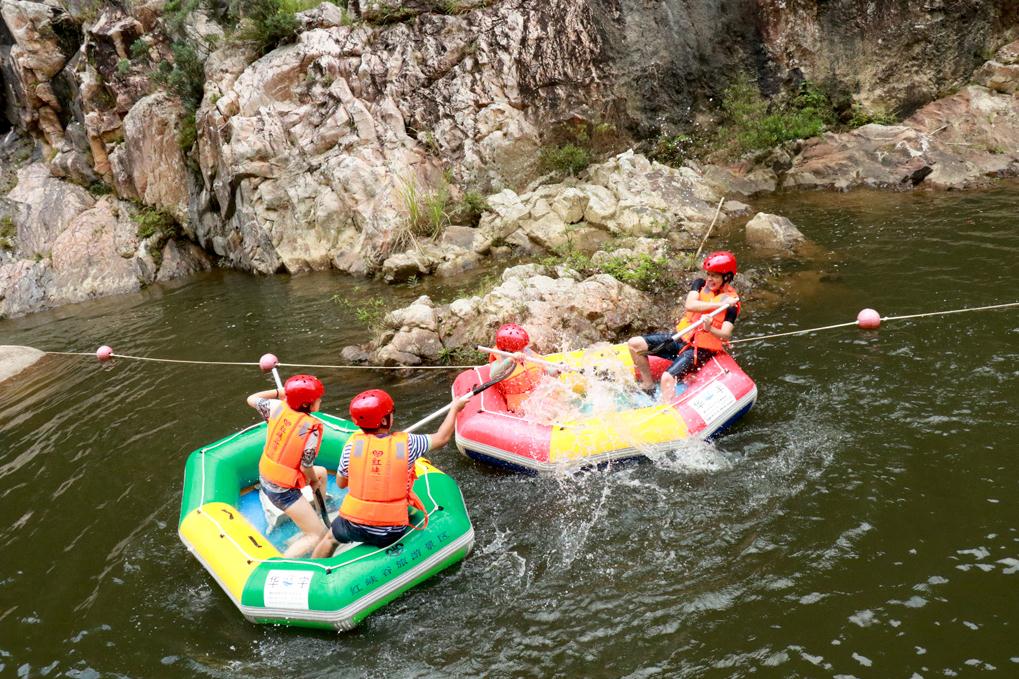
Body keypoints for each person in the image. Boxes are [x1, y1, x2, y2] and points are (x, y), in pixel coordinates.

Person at [311, 389, 471, 558]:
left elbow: (341, 483)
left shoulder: (352, 447)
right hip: (391, 531)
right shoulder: (408, 443)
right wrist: (455, 409)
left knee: (330, 538)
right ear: (385, 420)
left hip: (354, 525)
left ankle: (317, 567)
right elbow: (441, 438)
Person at [627, 251, 741, 401]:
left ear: (726, 277)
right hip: (682, 340)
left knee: (667, 378)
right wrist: (720, 304)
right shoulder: (700, 284)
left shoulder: (732, 304)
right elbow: (690, 305)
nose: (710, 279)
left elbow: (726, 334)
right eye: (709, 274)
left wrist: (710, 328)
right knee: (634, 344)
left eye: (715, 276)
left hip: (700, 351)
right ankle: (648, 385)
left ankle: (667, 411)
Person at [246, 375, 329, 558]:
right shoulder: (311, 429)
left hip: (267, 477)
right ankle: (281, 564)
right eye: (317, 399)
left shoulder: (275, 406)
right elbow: (306, 466)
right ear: (308, 405)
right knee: (318, 536)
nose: (320, 400)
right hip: (282, 491)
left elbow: (251, 398)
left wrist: (279, 393)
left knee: (322, 473)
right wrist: (312, 481)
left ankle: (314, 517)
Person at [487, 323, 545, 413]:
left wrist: (557, 371)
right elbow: (493, 375)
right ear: (509, 350)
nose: (524, 350)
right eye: (521, 348)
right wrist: (511, 359)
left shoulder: (527, 352)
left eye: (524, 347)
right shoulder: (499, 362)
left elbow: (544, 368)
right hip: (519, 402)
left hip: (537, 395)